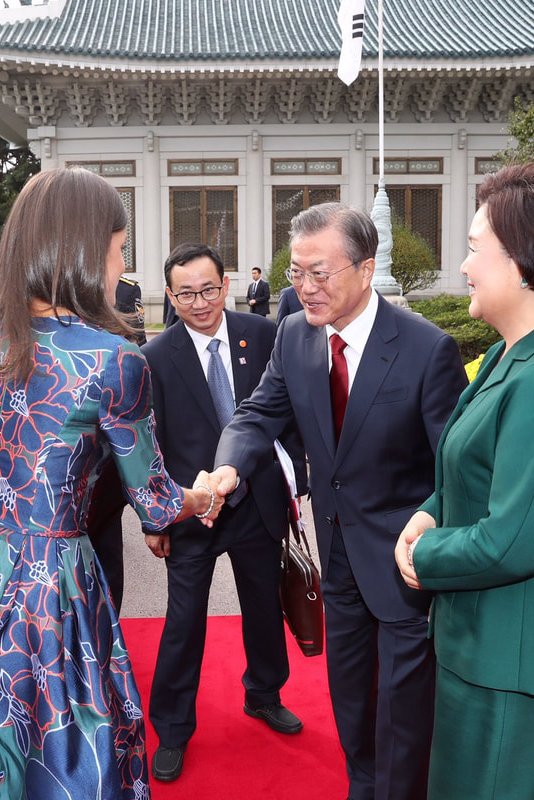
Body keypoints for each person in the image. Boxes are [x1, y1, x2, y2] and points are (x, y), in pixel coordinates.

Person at [0, 167, 222, 799]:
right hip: (49, 585)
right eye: (118, 249)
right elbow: (158, 503)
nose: (121, 267)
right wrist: (207, 492)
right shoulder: (113, 359)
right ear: (82, 253)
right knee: (53, 750)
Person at [210, 203, 467, 799]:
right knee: (349, 688)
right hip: (337, 553)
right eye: (297, 273)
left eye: (321, 273)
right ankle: (362, 784)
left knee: (404, 704)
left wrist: (433, 533)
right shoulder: (295, 338)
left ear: (366, 268)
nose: (305, 288)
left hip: (406, 559)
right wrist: (228, 465)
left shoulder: (427, 349)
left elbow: (457, 468)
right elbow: (258, 414)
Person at [394, 162, 534, 800]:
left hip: (516, 670)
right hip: (479, 649)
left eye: (472, 249)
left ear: (522, 261)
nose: (463, 266)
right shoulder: (510, 353)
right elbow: (470, 470)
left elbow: (514, 540)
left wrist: (419, 553)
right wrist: (430, 512)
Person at [143, 242, 307, 782]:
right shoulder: (155, 357)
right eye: (185, 293)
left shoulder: (263, 336)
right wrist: (156, 517)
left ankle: (264, 693)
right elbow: (149, 445)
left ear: (227, 284)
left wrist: (294, 479)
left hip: (256, 500)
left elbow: (287, 416)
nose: (199, 302)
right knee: (183, 621)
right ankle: (171, 728)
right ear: (169, 294)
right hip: (193, 513)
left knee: (264, 606)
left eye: (209, 289)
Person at [85, 273, 148, 613]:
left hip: (106, 448)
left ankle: (106, 638)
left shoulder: (122, 288)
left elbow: (134, 340)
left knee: (106, 549)